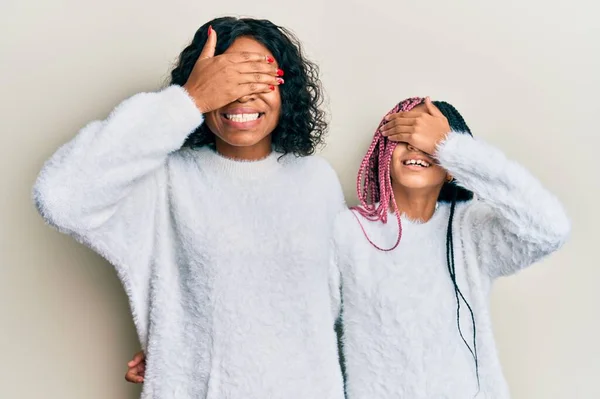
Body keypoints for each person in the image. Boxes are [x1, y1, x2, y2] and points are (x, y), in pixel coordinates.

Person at [33, 17, 346, 399]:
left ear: (287, 89)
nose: (241, 94)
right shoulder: (165, 178)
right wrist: (188, 102)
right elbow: (61, 196)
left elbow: (335, 308)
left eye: (257, 77)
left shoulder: (317, 180)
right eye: (225, 79)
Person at [334, 97, 571, 398]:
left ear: (451, 168)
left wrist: (452, 148)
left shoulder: (471, 229)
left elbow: (550, 229)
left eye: (428, 141)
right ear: (383, 153)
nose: (415, 148)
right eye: (405, 136)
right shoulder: (348, 231)